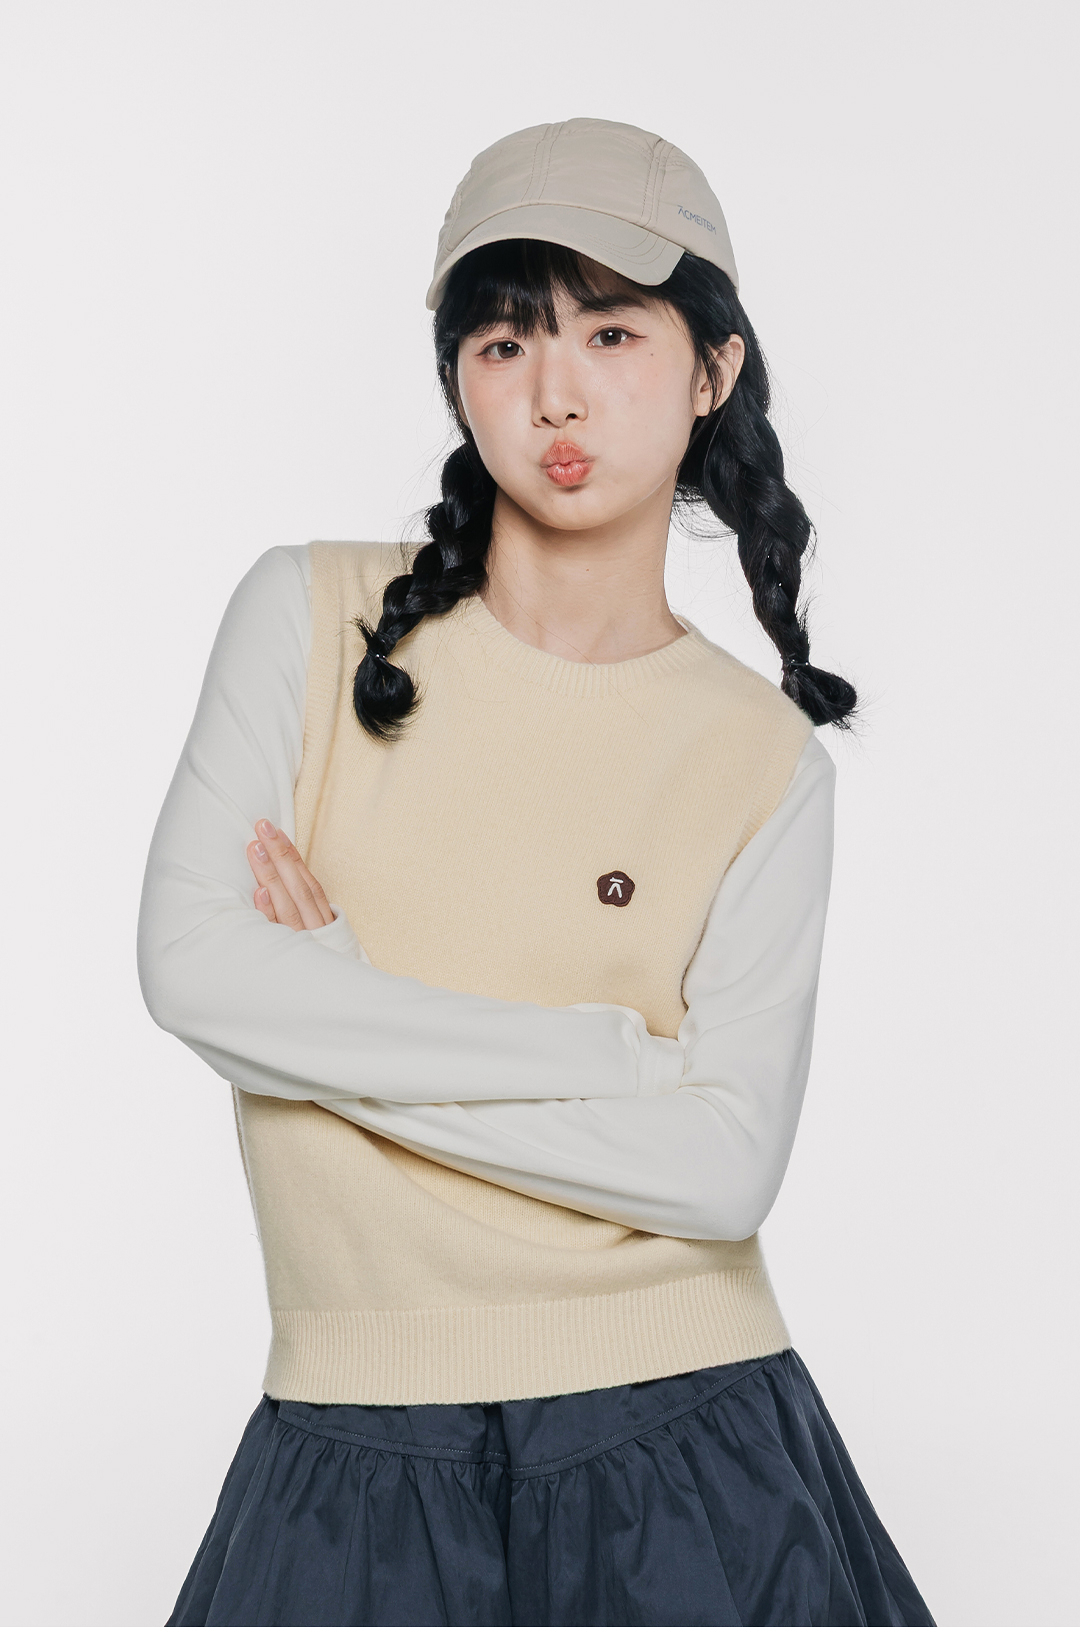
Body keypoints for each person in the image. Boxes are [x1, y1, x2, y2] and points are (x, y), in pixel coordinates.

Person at [138, 117, 935, 1627]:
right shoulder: (305, 621)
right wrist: (609, 1065)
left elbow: (723, 1170)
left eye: (612, 332)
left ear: (713, 370)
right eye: (504, 342)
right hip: (350, 1441)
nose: (555, 393)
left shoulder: (761, 762)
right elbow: (190, 972)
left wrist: (326, 1017)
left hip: (690, 1443)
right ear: (460, 380)